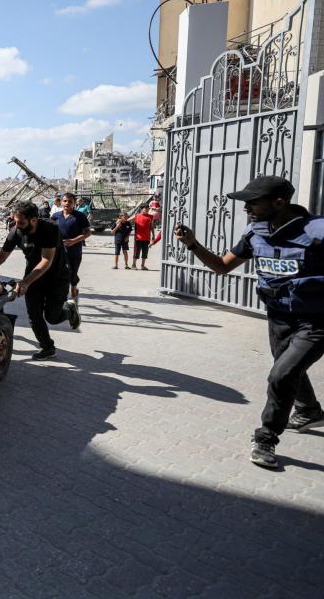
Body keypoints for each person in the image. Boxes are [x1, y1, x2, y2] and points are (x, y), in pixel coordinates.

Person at [173, 175, 324, 468]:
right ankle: (308, 410)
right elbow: (221, 266)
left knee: (281, 374)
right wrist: (192, 244)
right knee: (289, 368)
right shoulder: (255, 233)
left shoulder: (317, 231)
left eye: (252, 202)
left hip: (316, 321)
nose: (246, 208)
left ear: (279, 202)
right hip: (278, 317)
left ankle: (266, 437)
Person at [0, 200, 80, 360]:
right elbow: (1, 257)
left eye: (21, 221)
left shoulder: (50, 229)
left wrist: (26, 282)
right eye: (15, 220)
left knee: (52, 317)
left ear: (34, 219)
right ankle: (48, 347)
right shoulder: (16, 231)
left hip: (57, 277)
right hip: (33, 275)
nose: (17, 224)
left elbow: (46, 260)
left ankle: (69, 311)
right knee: (33, 315)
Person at [50, 192, 91, 303]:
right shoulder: (55, 216)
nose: (67, 203)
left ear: (74, 204)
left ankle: (73, 287)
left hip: (74, 251)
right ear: (61, 202)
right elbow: (50, 231)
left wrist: (74, 241)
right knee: (59, 272)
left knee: (72, 272)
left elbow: (88, 233)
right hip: (59, 251)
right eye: (65, 201)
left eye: (70, 201)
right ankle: (62, 294)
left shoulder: (80, 216)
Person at [130, 204, 153, 270]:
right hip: (138, 238)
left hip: (147, 238)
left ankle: (142, 265)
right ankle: (133, 265)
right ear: (142, 209)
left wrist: (153, 236)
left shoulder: (151, 217)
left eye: (148, 208)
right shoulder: (137, 216)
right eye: (146, 208)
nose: (148, 210)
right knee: (136, 252)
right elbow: (127, 220)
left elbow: (152, 227)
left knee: (145, 253)